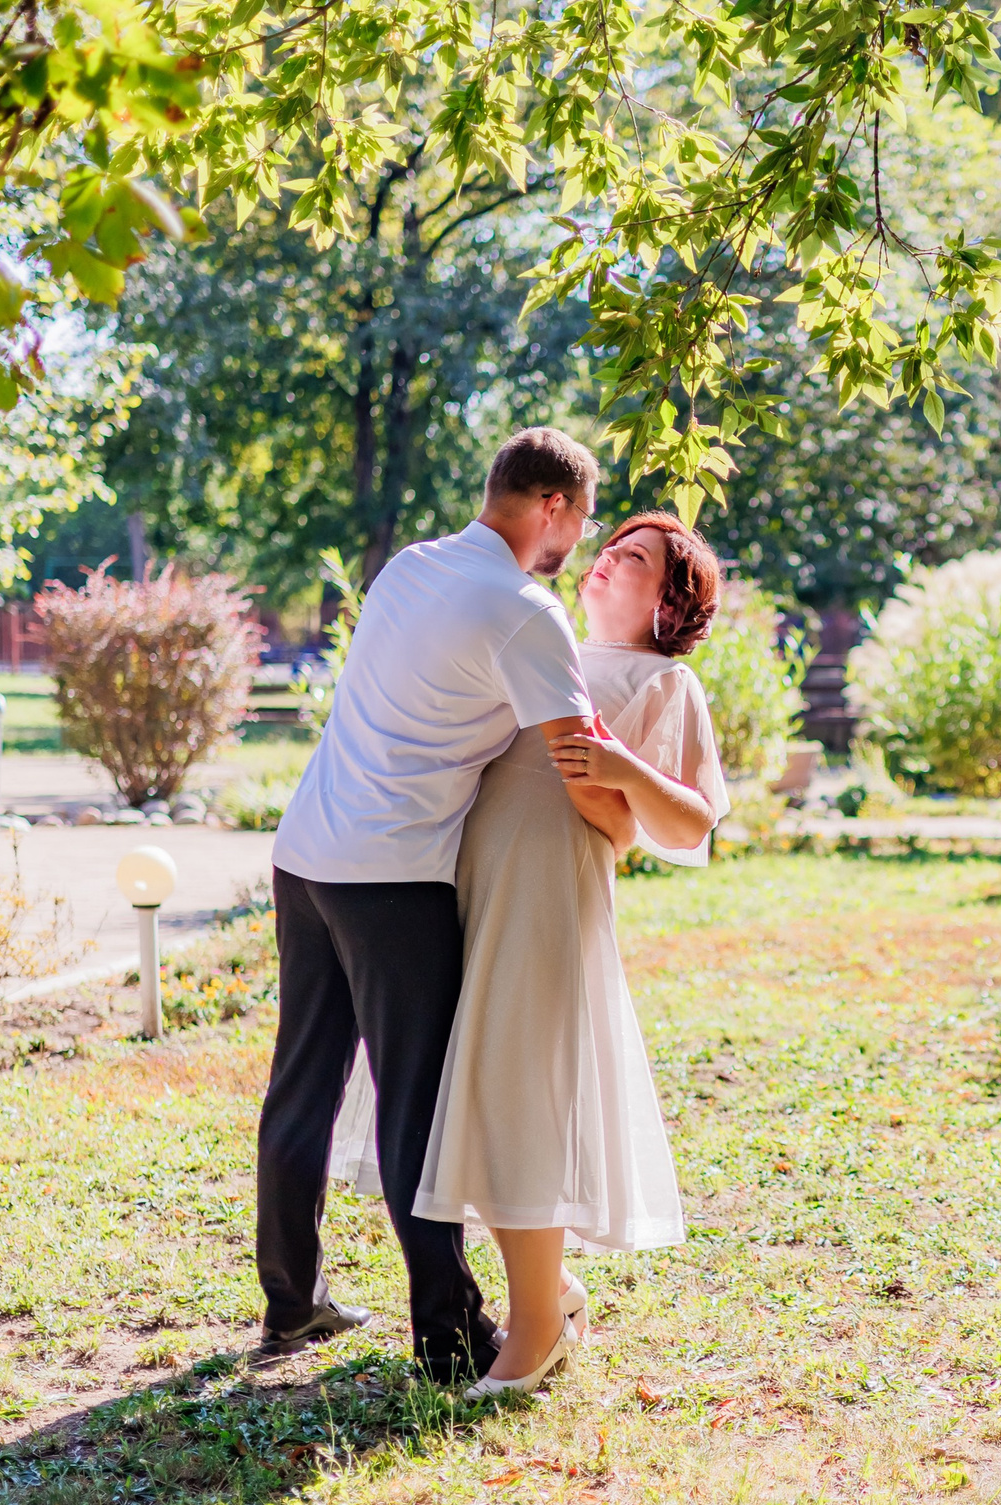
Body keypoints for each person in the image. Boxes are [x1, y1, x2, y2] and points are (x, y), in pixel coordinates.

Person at [253, 427, 628, 1387]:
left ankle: (292, 1303)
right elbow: (578, 758)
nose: (579, 544)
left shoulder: (409, 568)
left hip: (307, 852)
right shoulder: (522, 611)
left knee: (305, 1081)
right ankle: (452, 1335)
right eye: (581, 520)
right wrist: (624, 833)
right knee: (418, 1105)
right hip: (393, 877)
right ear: (552, 505)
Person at [412, 511, 730, 1397]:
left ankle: (538, 1329)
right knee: (474, 1082)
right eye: (610, 546)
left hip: (549, 892)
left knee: (523, 1090)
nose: (607, 561)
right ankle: (551, 1289)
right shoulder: (538, 634)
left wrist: (626, 771)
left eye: (636, 558)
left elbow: (688, 822)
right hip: (474, 876)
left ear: (670, 603)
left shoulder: (665, 685)